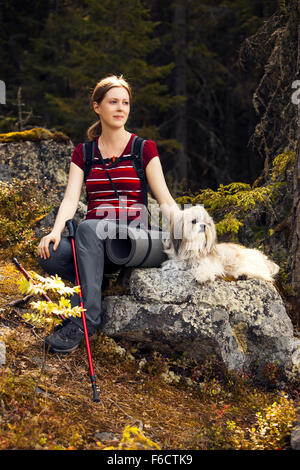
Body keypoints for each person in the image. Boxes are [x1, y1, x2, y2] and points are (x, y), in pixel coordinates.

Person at [37, 75, 180, 354]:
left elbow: (165, 200)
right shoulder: (85, 153)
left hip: (135, 241)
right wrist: (54, 232)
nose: (120, 108)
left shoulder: (143, 148)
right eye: (112, 102)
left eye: (125, 102)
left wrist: (186, 235)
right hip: (98, 245)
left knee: (88, 228)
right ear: (97, 107)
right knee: (53, 254)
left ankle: (86, 321)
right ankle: (95, 278)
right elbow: (70, 198)